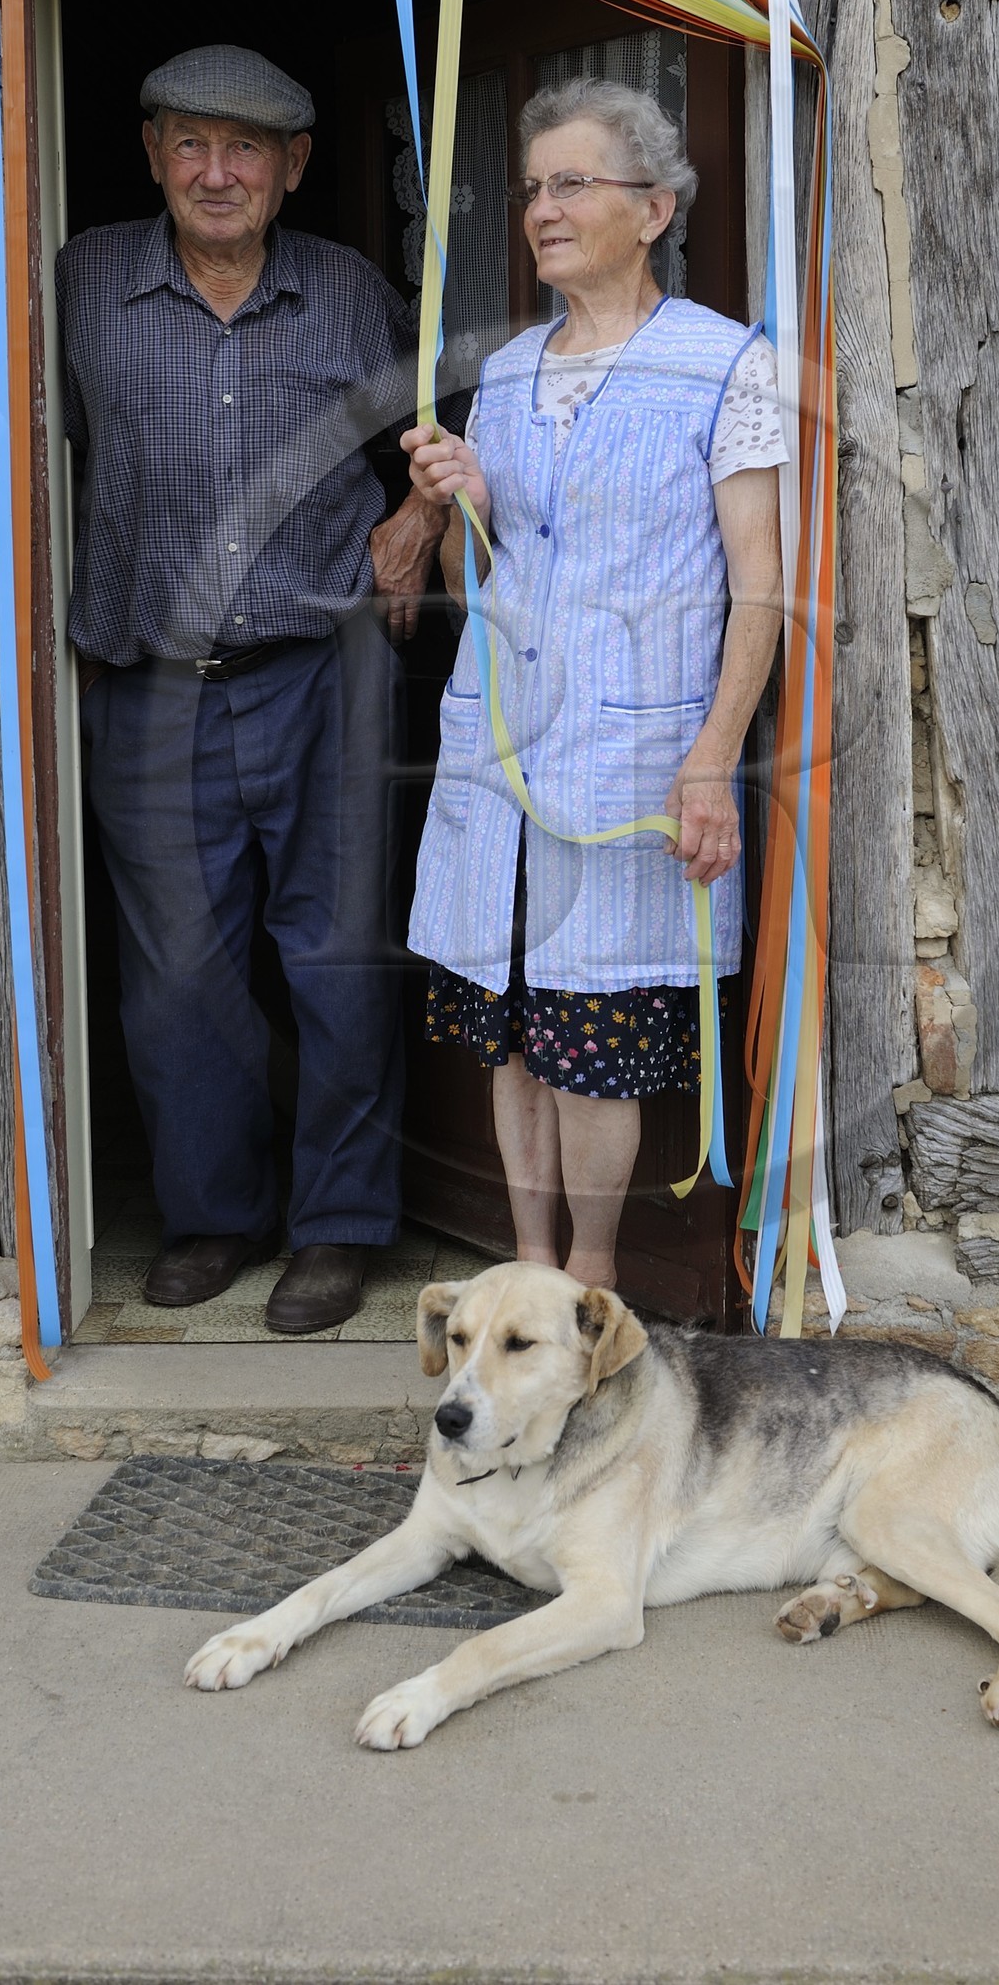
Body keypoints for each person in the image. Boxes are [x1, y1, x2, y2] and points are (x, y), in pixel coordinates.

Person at [60, 44, 448, 1333]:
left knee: (335, 963)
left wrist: (416, 523)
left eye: (246, 150)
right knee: (178, 975)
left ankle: (336, 1228)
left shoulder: (348, 292)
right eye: (189, 145)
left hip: (320, 674)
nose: (215, 172)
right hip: (148, 686)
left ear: (292, 168)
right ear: (154, 156)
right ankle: (213, 1212)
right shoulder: (79, 280)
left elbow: (453, 426)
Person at [403, 77, 785, 1289]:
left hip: (635, 750)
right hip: (500, 747)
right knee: (509, 1027)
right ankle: (525, 1270)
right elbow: (483, 577)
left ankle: (593, 1281)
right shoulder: (507, 372)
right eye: (533, 188)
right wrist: (454, 493)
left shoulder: (727, 366)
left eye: (574, 183)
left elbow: (759, 587)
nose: (542, 209)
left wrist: (711, 756)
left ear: (654, 206)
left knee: (590, 1034)